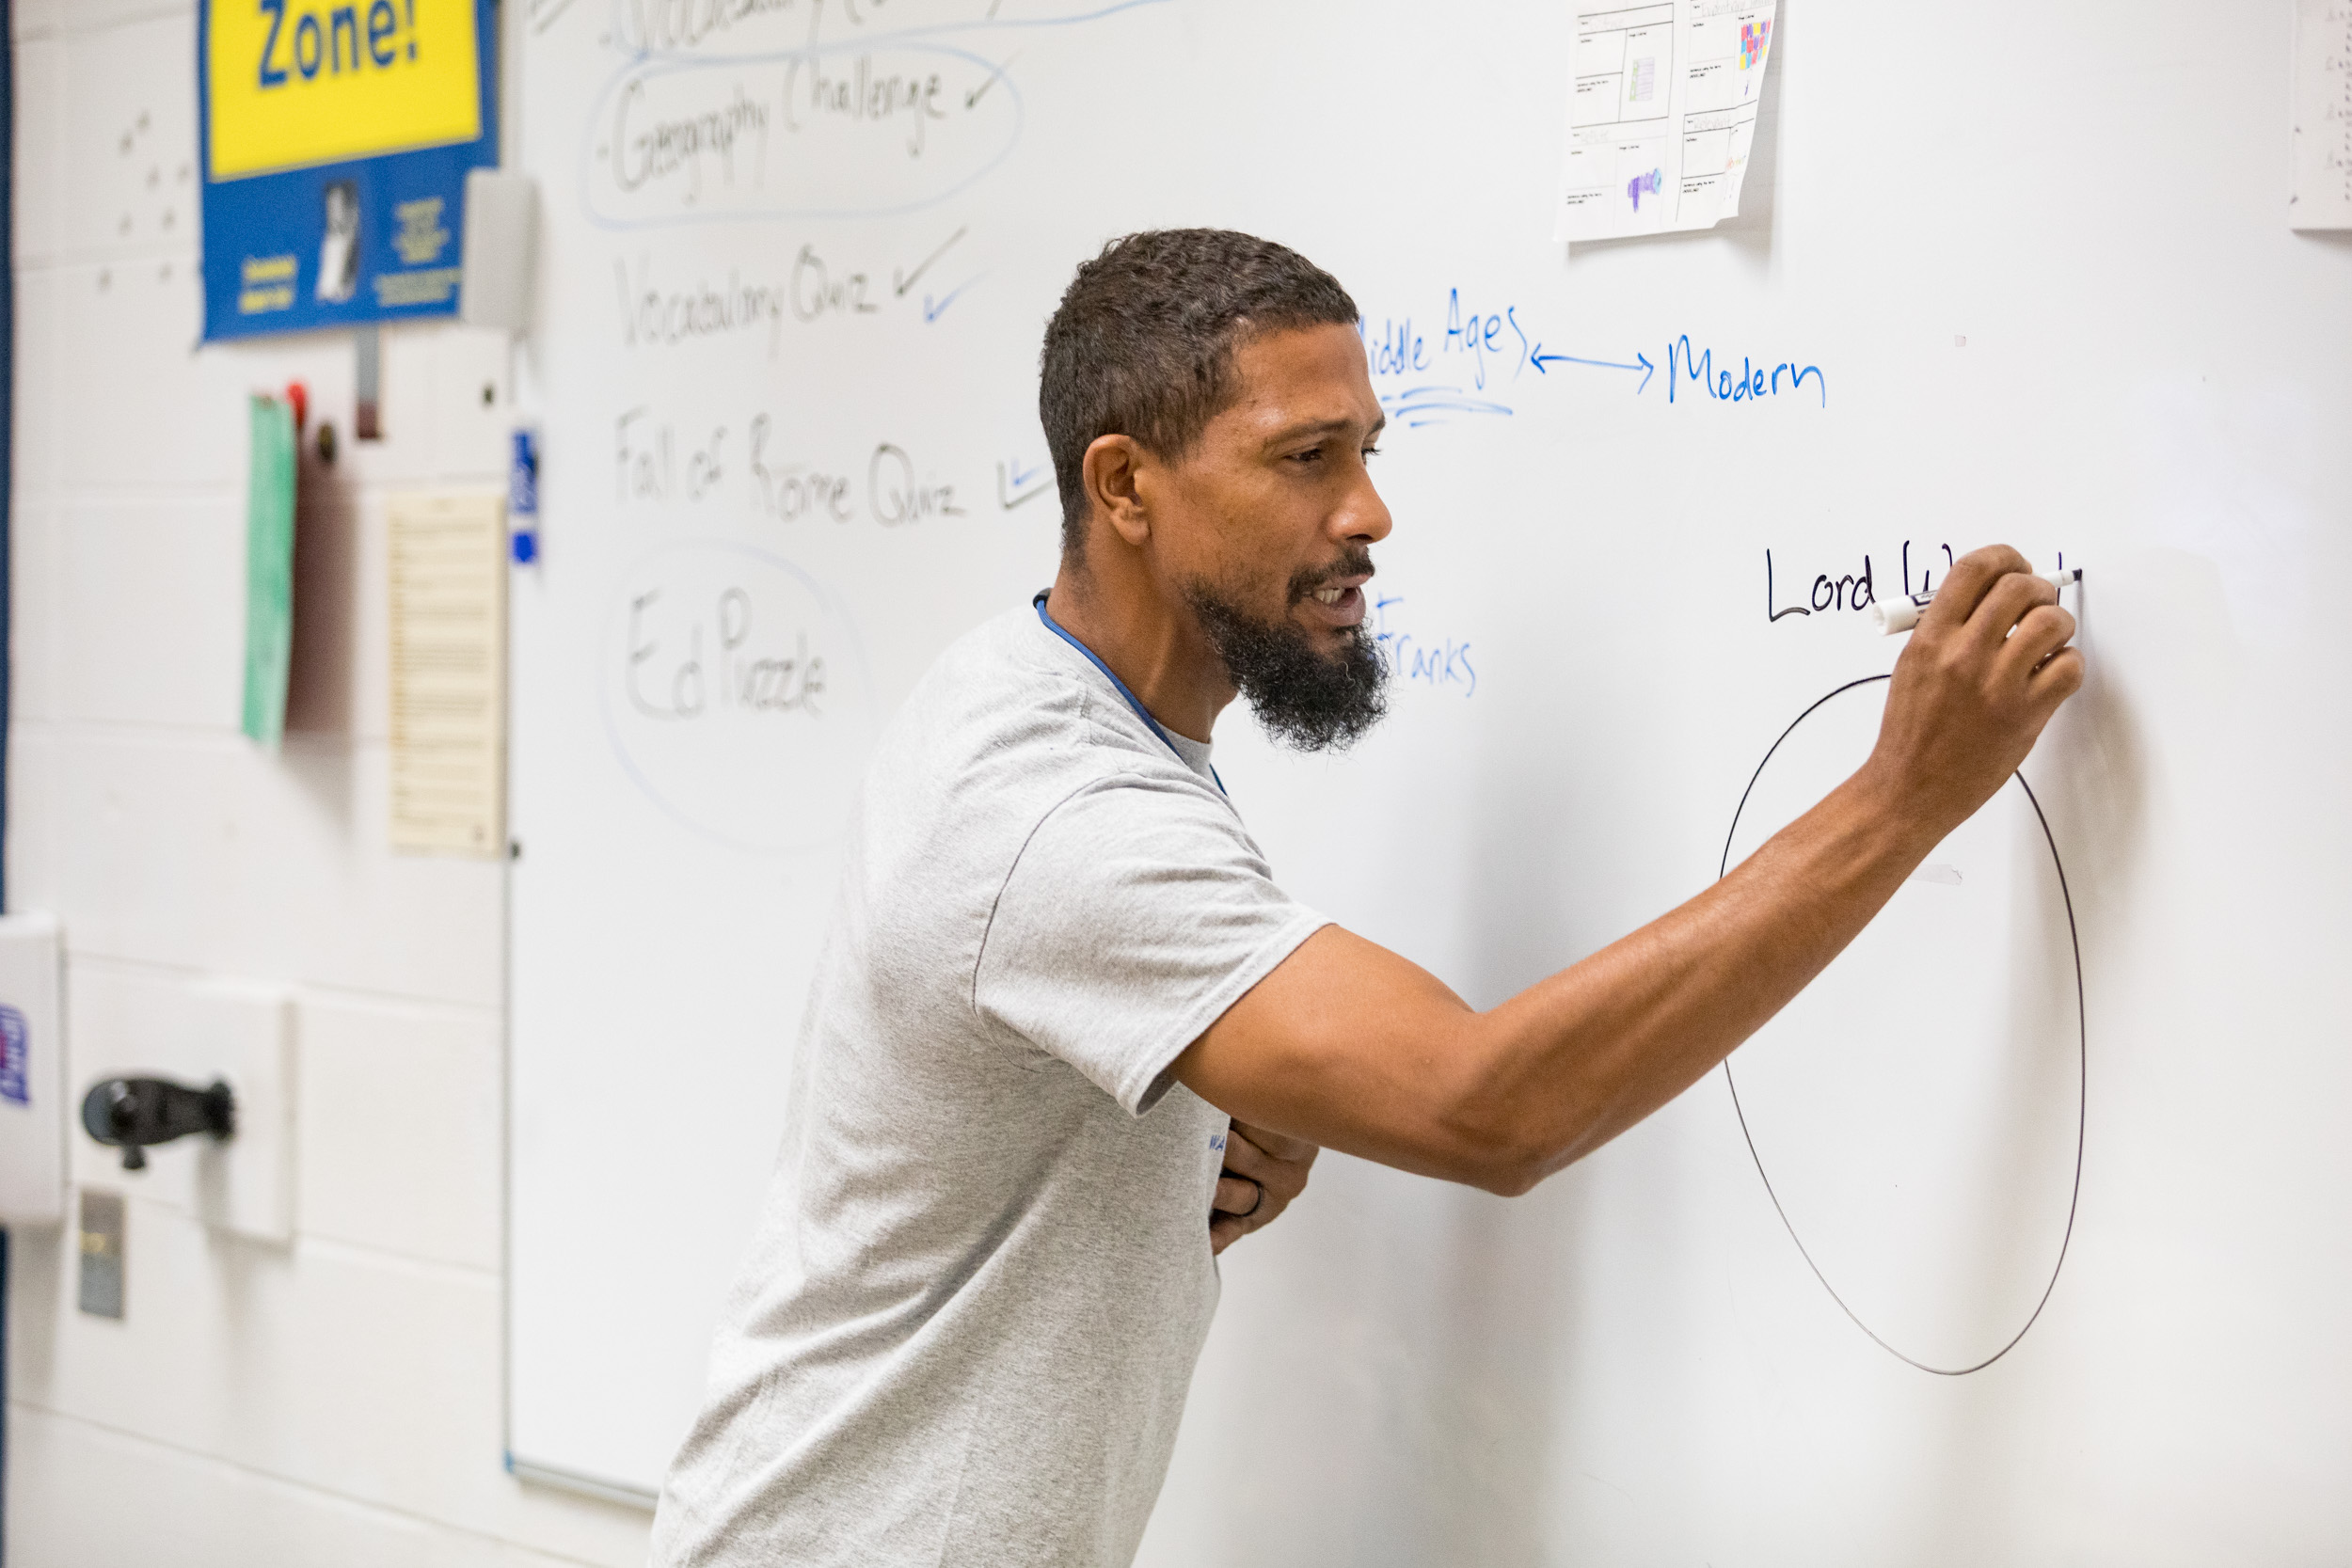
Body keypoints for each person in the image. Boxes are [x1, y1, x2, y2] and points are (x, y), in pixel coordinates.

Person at [649, 229, 2083, 1566]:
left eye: (1370, 450)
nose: (1371, 511)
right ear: (1124, 486)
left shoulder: (1044, 698)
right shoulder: (1057, 814)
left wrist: (1218, 1106)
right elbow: (1487, 1106)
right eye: (1304, 458)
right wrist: (1903, 796)